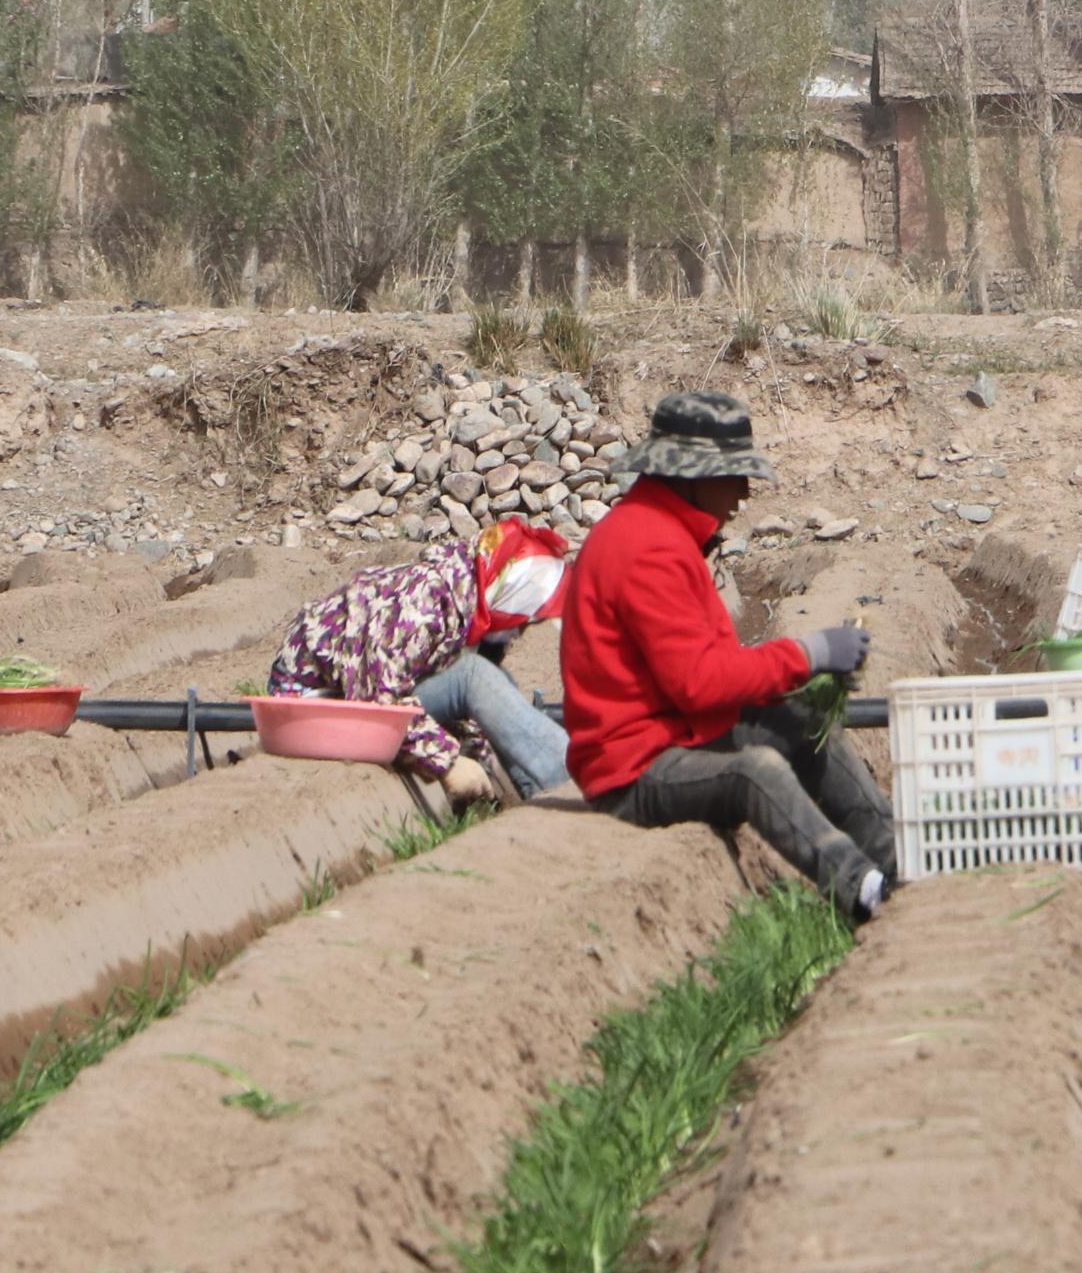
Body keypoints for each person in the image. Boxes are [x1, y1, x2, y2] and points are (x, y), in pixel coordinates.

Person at [557, 388, 895, 920]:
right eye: (734, 476)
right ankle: (865, 889)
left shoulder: (658, 532)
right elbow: (700, 683)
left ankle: (898, 855)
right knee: (754, 771)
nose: (742, 493)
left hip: (674, 732)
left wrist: (805, 674)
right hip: (632, 770)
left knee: (803, 719)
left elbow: (705, 671)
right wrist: (807, 654)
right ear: (693, 476)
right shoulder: (647, 549)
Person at [268, 517, 574, 810]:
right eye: (524, 620)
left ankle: (540, 794)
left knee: (492, 676)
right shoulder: (422, 605)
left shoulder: (460, 599)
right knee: (475, 677)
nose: (520, 632)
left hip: (349, 694)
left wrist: (478, 755)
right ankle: (576, 785)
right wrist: (448, 762)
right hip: (310, 707)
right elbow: (377, 697)